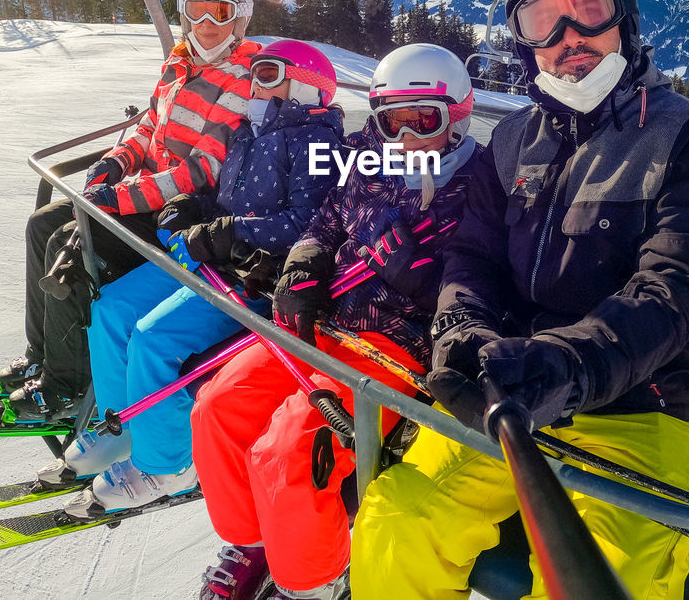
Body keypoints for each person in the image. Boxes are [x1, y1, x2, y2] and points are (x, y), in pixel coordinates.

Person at [351, 0, 689, 599]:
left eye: (586, 9)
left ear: (622, 18)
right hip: (510, 397)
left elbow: (674, 288)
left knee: (608, 574)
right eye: (542, 21)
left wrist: (569, 364)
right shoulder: (509, 143)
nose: (569, 35)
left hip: (636, 408)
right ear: (523, 41)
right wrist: (461, 331)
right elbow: (470, 259)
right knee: (397, 521)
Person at [192, 44, 484, 600]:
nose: (405, 138)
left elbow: (491, 281)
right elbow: (325, 221)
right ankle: (257, 545)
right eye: (390, 120)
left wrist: (423, 283)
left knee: (292, 450)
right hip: (327, 326)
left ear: (458, 117)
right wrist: (304, 261)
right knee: (218, 407)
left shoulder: (481, 187)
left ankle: (314, 580)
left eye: (424, 120)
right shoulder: (364, 158)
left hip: (395, 345)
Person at [28, 41, 343, 516]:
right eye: (255, 72)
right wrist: (192, 210)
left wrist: (224, 233)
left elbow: (308, 222)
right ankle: (123, 428)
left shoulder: (319, 144)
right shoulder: (249, 132)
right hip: (212, 258)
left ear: (306, 86)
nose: (257, 83)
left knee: (155, 338)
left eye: (270, 73)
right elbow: (222, 196)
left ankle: (166, 465)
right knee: (111, 307)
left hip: (254, 273)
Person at [0, 0, 260, 426]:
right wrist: (117, 159)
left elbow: (203, 169)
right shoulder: (179, 62)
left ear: (241, 17)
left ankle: (64, 386)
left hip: (183, 213)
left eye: (219, 14)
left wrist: (120, 197)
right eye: (197, 10)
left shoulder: (245, 81)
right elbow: (150, 125)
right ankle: (41, 356)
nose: (206, 25)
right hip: (145, 196)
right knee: (43, 225)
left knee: (74, 244)